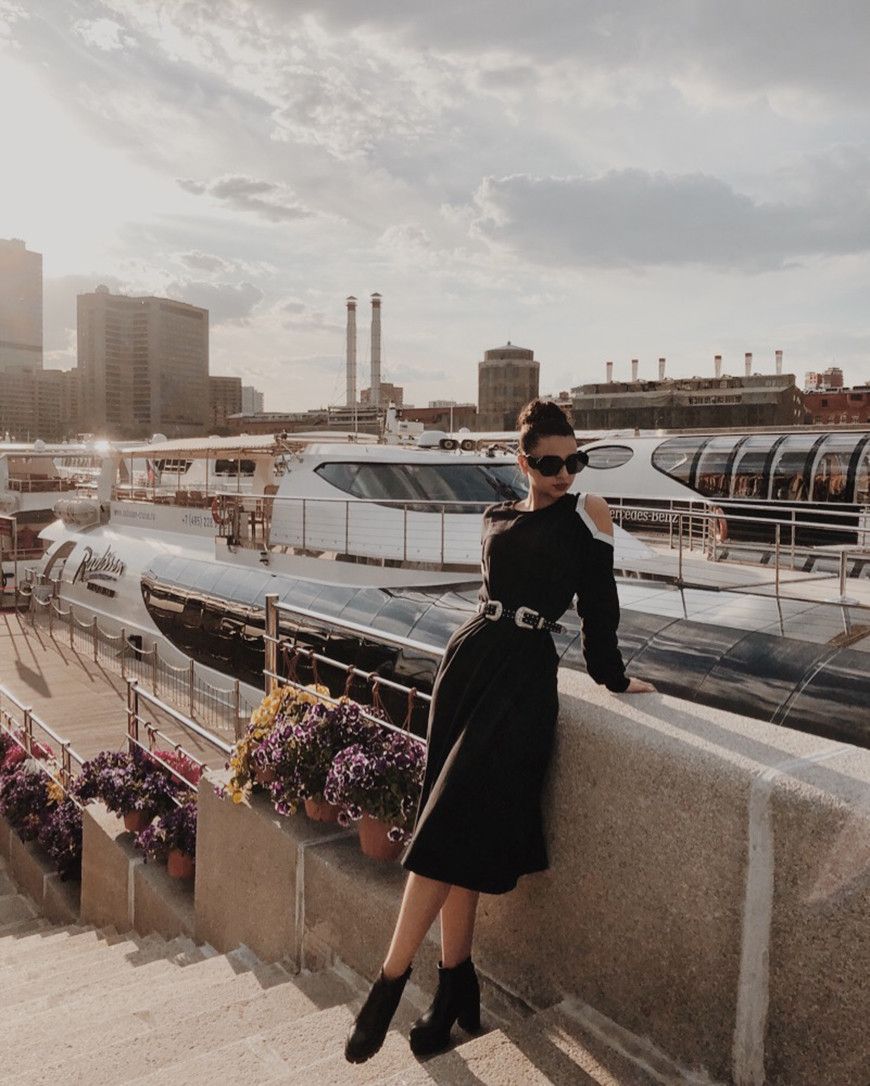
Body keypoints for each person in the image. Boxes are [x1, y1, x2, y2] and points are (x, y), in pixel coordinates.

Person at [345, 399, 655, 1065]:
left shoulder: (587, 515)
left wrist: (613, 676)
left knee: (445, 831)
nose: (565, 473)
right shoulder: (497, 515)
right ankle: (455, 983)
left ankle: (388, 984)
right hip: (466, 667)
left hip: (522, 681)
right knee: (455, 830)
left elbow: (599, 606)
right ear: (523, 461)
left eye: (575, 460)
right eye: (550, 463)